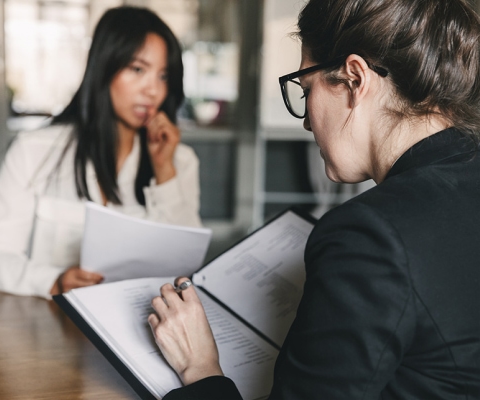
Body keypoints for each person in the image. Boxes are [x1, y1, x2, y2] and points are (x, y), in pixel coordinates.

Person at [148, 0, 480, 398]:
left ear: (355, 79)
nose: (306, 121)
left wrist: (200, 367)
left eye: (306, 91)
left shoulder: (370, 235)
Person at [0, 6, 202, 299]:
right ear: (105, 68)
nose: (153, 91)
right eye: (138, 70)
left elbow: (186, 269)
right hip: (49, 327)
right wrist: (54, 281)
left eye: (163, 76)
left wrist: (165, 173)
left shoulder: (179, 161)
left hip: (143, 329)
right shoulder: (35, 150)